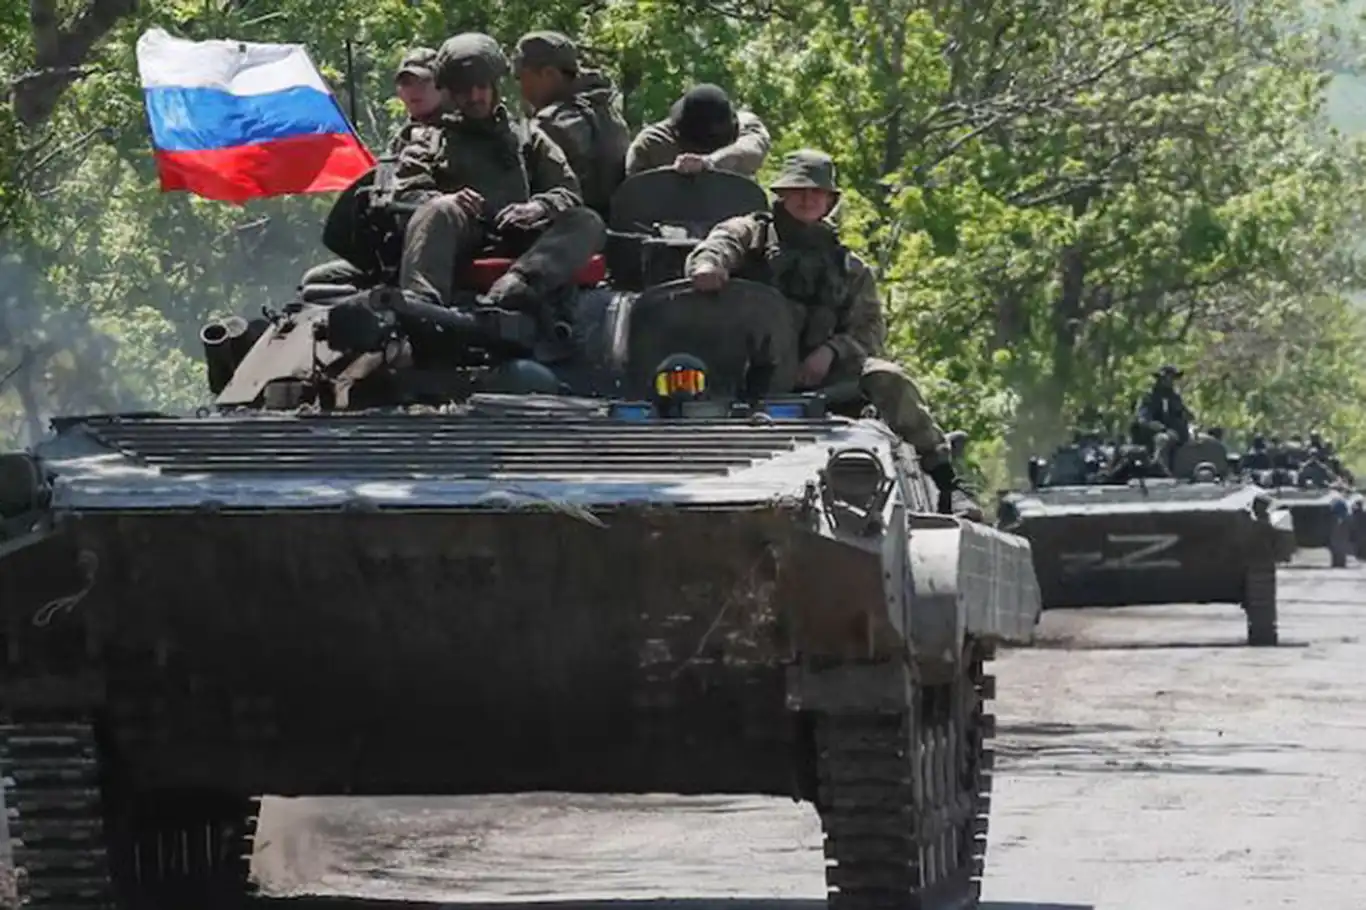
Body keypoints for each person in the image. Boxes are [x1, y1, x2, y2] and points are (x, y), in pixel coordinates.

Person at [682, 148, 978, 518]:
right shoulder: (750, 234)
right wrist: (709, 266)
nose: (807, 199)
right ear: (782, 194)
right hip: (740, 374)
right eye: (798, 190)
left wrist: (832, 351)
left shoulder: (849, 267)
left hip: (818, 381)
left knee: (888, 377)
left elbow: (869, 333)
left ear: (829, 201)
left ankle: (948, 482)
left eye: (816, 192)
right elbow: (717, 246)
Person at [394, 32, 605, 316]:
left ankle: (516, 288)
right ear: (450, 92)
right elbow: (405, 197)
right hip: (461, 240)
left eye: (481, 86)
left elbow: (567, 192)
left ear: (494, 86)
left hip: (522, 240)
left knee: (587, 221)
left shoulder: (528, 138)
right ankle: (422, 309)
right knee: (438, 209)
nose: (474, 96)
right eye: (464, 89)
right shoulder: (428, 141)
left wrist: (538, 207)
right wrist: (448, 201)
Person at [299, 47, 448, 292]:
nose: (414, 90)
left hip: (433, 253)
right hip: (390, 253)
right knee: (315, 283)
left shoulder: (455, 133)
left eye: (423, 82)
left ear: (441, 86)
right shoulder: (402, 139)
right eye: (406, 83)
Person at [513, 31, 631, 218]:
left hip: (574, 226)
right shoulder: (609, 112)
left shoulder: (549, 125)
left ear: (548, 74)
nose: (520, 88)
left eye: (522, 77)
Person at [625, 83, 771, 178]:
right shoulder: (652, 143)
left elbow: (751, 149)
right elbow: (634, 192)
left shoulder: (748, 126)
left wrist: (709, 162)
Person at [1135, 364, 1192, 453]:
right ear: (1160, 379)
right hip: (1154, 435)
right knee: (1163, 440)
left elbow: (1183, 414)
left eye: (1172, 378)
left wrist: (1189, 419)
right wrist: (1161, 428)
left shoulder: (1175, 398)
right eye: (1166, 378)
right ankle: (1160, 461)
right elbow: (1144, 418)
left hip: (1178, 435)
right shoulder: (1150, 397)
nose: (1170, 381)